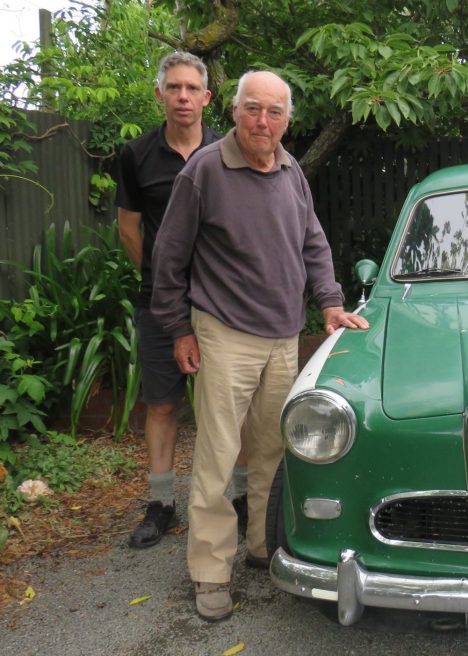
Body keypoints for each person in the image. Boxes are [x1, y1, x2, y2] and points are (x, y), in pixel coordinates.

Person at [151, 69, 369, 622]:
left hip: (282, 336)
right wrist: (179, 330)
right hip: (223, 334)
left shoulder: (292, 170)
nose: (263, 121)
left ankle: (258, 546)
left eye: (274, 112)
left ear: (287, 120)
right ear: (233, 110)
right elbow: (168, 259)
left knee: (272, 451)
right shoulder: (205, 170)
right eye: (253, 109)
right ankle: (209, 571)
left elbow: (312, 242)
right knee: (218, 459)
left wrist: (330, 302)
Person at [117, 51, 251, 549]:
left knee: (230, 407)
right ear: (160, 95)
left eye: (192, 89)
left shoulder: (228, 151)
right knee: (162, 404)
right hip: (160, 304)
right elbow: (129, 230)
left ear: (208, 98)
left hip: (222, 304)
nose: (183, 97)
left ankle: (238, 497)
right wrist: (164, 285)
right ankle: (160, 504)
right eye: (174, 88)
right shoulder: (136, 155)